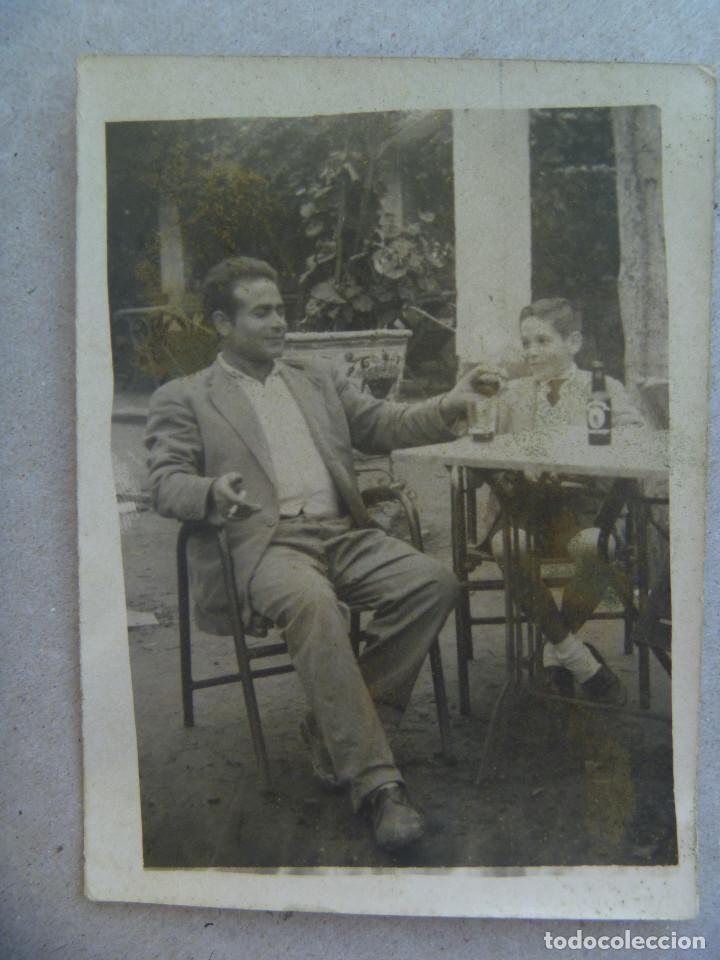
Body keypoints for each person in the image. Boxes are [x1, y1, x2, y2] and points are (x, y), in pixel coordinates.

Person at [145, 256, 486, 852]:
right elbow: (164, 480)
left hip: (342, 533)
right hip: (265, 546)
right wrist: (208, 492)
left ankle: (337, 730)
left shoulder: (316, 376)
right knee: (313, 605)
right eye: (262, 312)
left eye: (281, 308)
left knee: (434, 581)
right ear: (223, 323)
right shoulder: (187, 397)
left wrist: (450, 403)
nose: (280, 322)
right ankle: (378, 784)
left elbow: (382, 423)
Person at [488, 298, 644, 705]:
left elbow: (636, 437)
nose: (531, 351)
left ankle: (555, 655)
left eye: (543, 340)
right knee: (508, 545)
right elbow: (482, 442)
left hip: (582, 510)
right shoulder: (513, 394)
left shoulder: (603, 387)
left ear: (572, 341)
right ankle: (580, 662)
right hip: (526, 509)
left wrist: (584, 451)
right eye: (526, 342)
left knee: (597, 549)